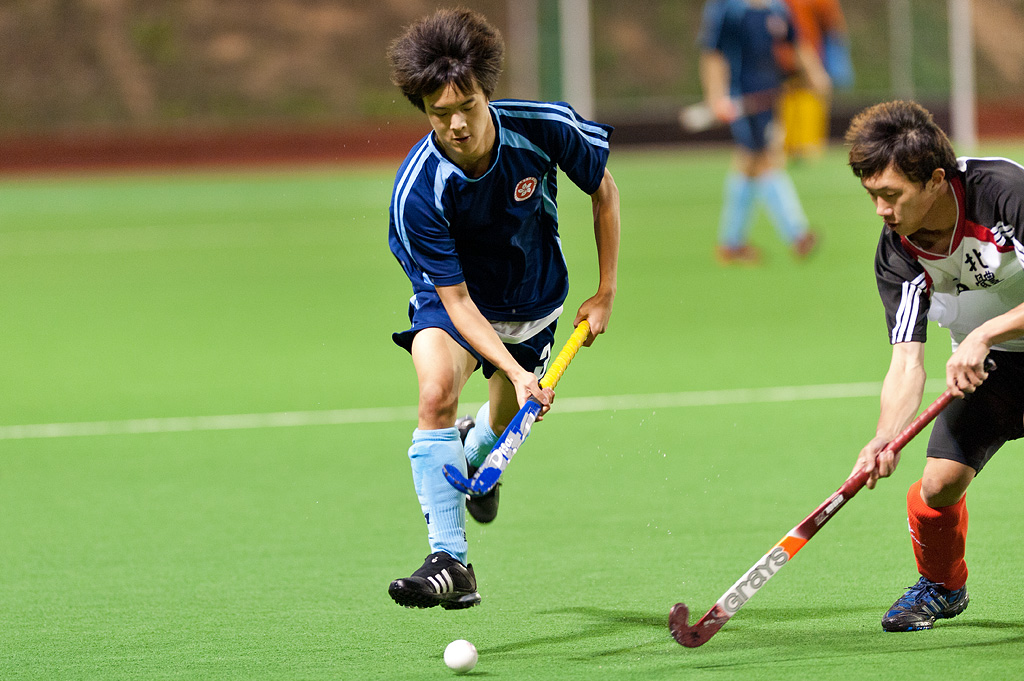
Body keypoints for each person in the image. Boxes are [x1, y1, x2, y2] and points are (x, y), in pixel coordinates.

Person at [384, 8, 620, 610]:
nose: (457, 124)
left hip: (534, 300)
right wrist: (516, 371)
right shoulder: (419, 191)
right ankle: (451, 561)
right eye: (440, 113)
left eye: (468, 106)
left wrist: (605, 290)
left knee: (499, 422)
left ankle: (475, 450)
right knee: (436, 393)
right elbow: (457, 302)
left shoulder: (542, 127)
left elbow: (604, 190)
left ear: (486, 92)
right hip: (456, 303)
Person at [845, 100, 1024, 632]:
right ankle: (943, 587)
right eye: (872, 195)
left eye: (891, 194)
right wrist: (885, 436)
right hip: (990, 369)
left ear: (935, 180)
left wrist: (985, 333)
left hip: (985, 348)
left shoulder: (1004, 193)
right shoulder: (898, 253)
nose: (881, 209)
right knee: (938, 486)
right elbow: (907, 360)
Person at [698, 0, 830, 265]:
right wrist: (715, 96)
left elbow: (797, 42)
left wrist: (815, 73)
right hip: (742, 100)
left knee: (749, 164)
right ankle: (797, 234)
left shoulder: (776, 8)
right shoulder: (728, 9)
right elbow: (713, 53)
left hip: (770, 98)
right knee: (765, 160)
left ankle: (731, 243)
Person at [779, 0, 853, 161]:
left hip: (807, 55)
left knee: (808, 92)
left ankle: (804, 147)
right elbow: (833, 26)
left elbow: (832, 25)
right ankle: (794, 147)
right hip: (784, 60)